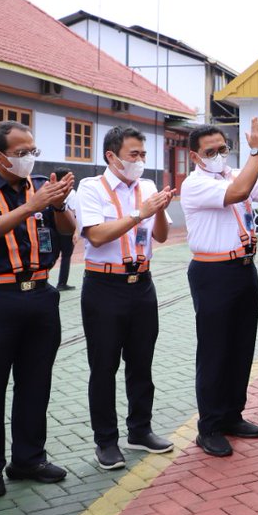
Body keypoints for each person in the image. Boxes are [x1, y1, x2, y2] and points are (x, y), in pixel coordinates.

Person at [0, 120, 75, 498]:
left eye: (32, 152)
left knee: (36, 382)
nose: (28, 159)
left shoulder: (41, 186)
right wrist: (31, 206)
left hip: (40, 295)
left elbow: (67, 231)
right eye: (21, 153)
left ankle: (28, 458)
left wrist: (55, 205)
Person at [180, 118, 258, 457]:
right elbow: (239, 193)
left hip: (243, 268)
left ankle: (231, 415)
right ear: (195, 156)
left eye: (223, 149)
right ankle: (208, 426)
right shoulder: (195, 184)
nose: (218, 155)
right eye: (210, 151)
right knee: (215, 351)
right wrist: (256, 150)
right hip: (213, 273)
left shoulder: (233, 172)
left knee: (241, 347)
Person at [76, 127, 176, 470]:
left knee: (141, 363)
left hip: (142, 284)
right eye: (134, 155)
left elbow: (161, 236)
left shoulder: (146, 188)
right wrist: (139, 213)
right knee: (103, 367)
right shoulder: (91, 188)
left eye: (143, 155)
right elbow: (97, 235)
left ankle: (140, 430)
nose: (140, 162)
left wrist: (159, 208)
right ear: (112, 157)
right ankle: (105, 441)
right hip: (104, 287)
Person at [52, 169, 80, 291]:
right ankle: (62, 283)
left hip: (53, 228)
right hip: (66, 228)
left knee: (52, 255)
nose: (72, 180)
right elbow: (74, 213)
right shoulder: (72, 193)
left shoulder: (50, 190)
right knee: (66, 256)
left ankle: (40, 280)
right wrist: (76, 231)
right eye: (69, 177)